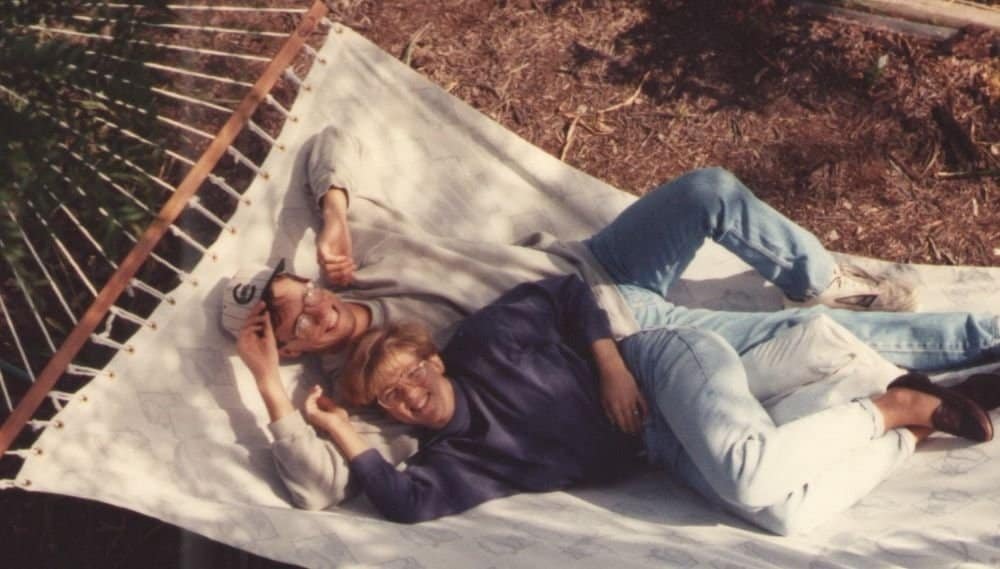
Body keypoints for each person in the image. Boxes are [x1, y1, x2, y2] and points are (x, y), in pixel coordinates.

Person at [220, 126, 1000, 507]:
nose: (313, 308)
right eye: (291, 323)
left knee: (709, 191)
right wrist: (270, 390)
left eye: (298, 292)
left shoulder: (360, 251)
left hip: (592, 266)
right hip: (621, 327)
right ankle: (981, 340)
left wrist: (331, 211)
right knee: (852, 349)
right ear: (288, 347)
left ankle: (820, 278)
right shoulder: (369, 384)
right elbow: (321, 488)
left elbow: (331, 139)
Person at [261, 275, 998, 534]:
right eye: (392, 397)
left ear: (429, 355)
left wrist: (610, 361)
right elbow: (401, 502)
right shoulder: (460, 460)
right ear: (387, 411)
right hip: (658, 444)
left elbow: (565, 291)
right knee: (788, 512)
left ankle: (889, 404)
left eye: (411, 372)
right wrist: (320, 418)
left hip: (660, 365)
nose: (411, 393)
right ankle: (923, 418)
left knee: (748, 472)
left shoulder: (482, 344)